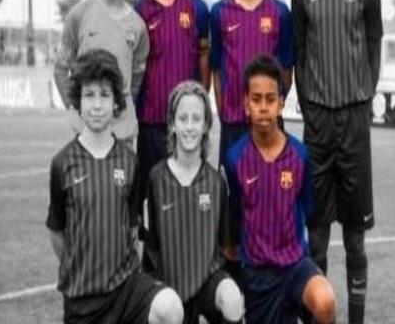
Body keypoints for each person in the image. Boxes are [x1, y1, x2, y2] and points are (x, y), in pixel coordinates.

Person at [291, 0, 383, 323]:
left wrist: (364, 98)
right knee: (317, 240)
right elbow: (299, 54)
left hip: (355, 123)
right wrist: (311, 108)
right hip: (318, 126)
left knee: (356, 240)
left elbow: (374, 45)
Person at [46, 49, 183, 324]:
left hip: (125, 290)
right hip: (82, 300)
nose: (97, 105)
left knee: (170, 308)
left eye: (105, 95)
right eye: (89, 95)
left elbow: (132, 229)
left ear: (116, 103)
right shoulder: (62, 163)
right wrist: (81, 266)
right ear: (78, 100)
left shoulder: (130, 161)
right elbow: (56, 233)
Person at [223, 55, 336, 324]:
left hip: (295, 266)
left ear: (281, 104)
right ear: (246, 104)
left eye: (270, 99)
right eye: (256, 99)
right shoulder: (235, 158)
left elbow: (307, 210)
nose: (263, 107)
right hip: (258, 275)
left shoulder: (300, 155)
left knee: (325, 300)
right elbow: (235, 218)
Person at [143, 80, 244, 323]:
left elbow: (224, 248)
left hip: (207, 284)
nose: (189, 126)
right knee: (166, 310)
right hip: (167, 286)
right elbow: (150, 249)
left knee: (232, 300)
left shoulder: (216, 183)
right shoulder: (156, 178)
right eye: (183, 118)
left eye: (196, 119)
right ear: (172, 124)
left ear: (206, 124)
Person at [135, 0, 210, 208]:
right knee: (153, 208)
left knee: (187, 207)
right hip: (151, 125)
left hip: (187, 128)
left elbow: (204, 67)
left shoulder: (198, 8)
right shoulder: (141, 10)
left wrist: (197, 112)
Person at [54, 0, 149, 145]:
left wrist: (120, 113)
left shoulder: (138, 27)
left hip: (123, 139)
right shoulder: (78, 15)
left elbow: (135, 83)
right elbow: (61, 69)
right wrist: (74, 111)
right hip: (86, 137)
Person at [209, 0, 294, 169]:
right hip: (233, 128)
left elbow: (286, 74)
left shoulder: (280, 13)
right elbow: (216, 72)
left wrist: (268, 108)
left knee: (271, 193)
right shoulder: (219, 12)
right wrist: (228, 113)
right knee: (232, 194)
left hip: (270, 128)